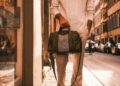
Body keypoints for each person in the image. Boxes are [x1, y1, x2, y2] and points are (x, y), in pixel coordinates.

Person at [51, 0, 95, 86]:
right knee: (60, 66)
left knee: (77, 72)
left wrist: (87, 30)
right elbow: (53, 7)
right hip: (63, 31)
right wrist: (60, 18)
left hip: (81, 32)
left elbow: (91, 10)